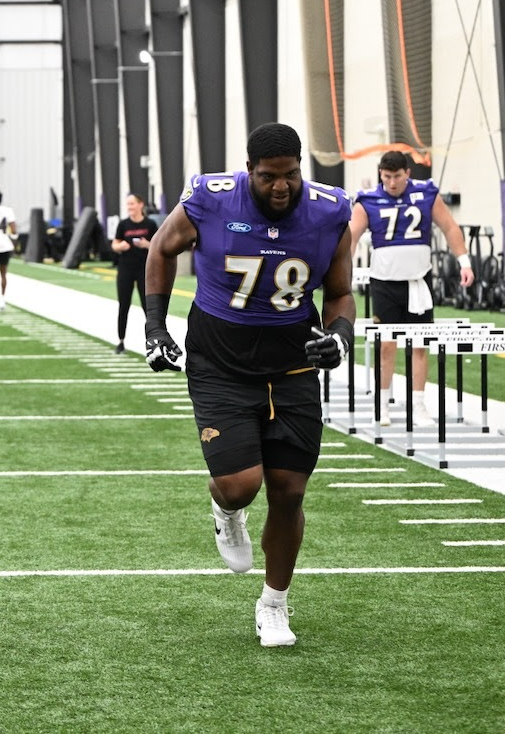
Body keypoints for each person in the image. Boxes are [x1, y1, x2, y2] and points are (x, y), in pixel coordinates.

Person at [143, 122, 355, 648]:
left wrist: (341, 336)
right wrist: (154, 326)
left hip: (293, 363)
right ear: (248, 172)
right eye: (267, 178)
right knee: (242, 485)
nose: (280, 187)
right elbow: (161, 248)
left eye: (289, 176)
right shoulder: (212, 199)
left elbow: (341, 291)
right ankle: (226, 509)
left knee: (290, 490)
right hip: (220, 361)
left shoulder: (331, 210)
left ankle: (274, 604)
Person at [349, 151, 474, 426]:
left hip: (418, 280)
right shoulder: (367, 199)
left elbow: (450, 227)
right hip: (384, 281)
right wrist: (342, 271)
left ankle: (418, 404)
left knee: (420, 344)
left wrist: (464, 261)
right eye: (386, 177)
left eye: (396, 176)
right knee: (387, 346)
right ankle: (382, 405)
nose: (391, 183)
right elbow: (352, 236)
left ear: (407, 172)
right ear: (381, 175)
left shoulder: (426, 193)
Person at [110, 193, 157, 354]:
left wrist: (147, 244)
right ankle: (121, 341)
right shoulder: (123, 224)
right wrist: (120, 246)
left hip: (144, 270)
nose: (130, 207)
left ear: (140, 204)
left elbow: (158, 246)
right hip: (125, 269)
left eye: (132, 204)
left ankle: (152, 341)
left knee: (148, 307)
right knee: (124, 305)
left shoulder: (150, 224)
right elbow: (114, 244)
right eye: (128, 204)